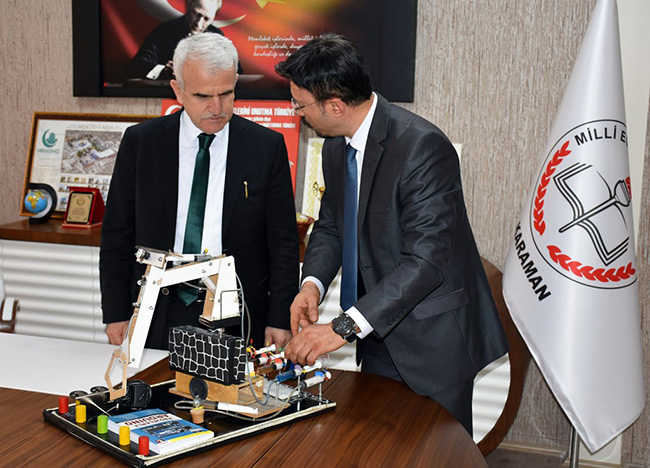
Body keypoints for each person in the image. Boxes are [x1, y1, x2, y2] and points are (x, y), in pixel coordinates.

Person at [276, 33, 508, 435]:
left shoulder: (422, 147)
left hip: (434, 343)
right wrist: (311, 284)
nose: (297, 113)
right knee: (378, 448)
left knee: (438, 457)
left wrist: (341, 327)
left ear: (335, 105)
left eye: (299, 104)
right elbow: (330, 226)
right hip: (377, 333)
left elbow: (425, 263)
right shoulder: (335, 147)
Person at [101, 33, 299, 351]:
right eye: (203, 96)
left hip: (237, 310)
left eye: (226, 93)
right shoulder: (142, 143)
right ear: (178, 90)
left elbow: (283, 242)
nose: (216, 107)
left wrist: (279, 317)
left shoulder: (265, 147)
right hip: (156, 306)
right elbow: (116, 233)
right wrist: (116, 312)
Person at [126, 0, 230, 81]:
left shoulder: (217, 37)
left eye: (206, 19)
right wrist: (163, 71)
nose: (198, 24)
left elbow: (232, 71)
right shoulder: (164, 31)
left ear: (214, 17)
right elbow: (135, 67)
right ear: (189, 5)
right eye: (197, 14)